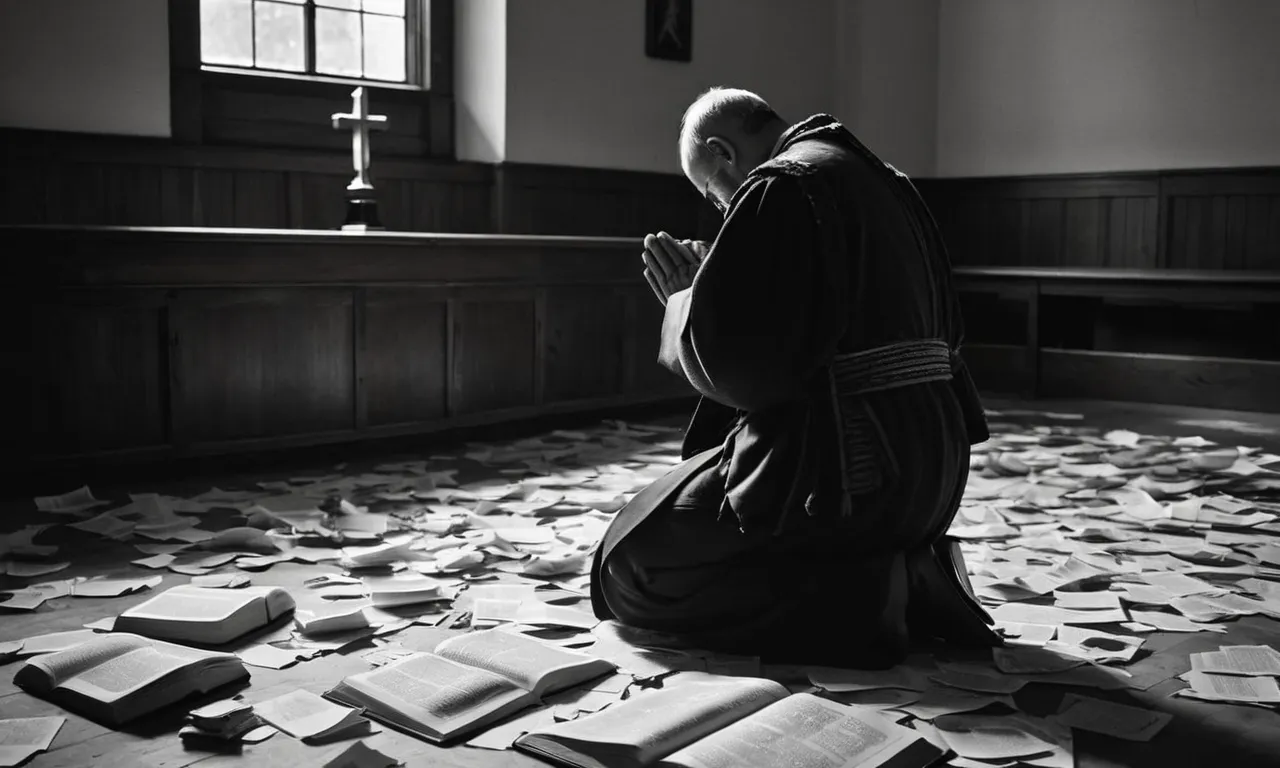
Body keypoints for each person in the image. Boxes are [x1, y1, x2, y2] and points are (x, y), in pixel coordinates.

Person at [589, 87, 1000, 668]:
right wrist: (722, 287)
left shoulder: (779, 184)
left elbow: (747, 378)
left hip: (853, 476)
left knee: (624, 569)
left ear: (722, 152)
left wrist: (686, 302)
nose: (722, 210)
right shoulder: (892, 182)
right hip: (935, 474)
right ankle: (904, 565)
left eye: (712, 191)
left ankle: (859, 601)